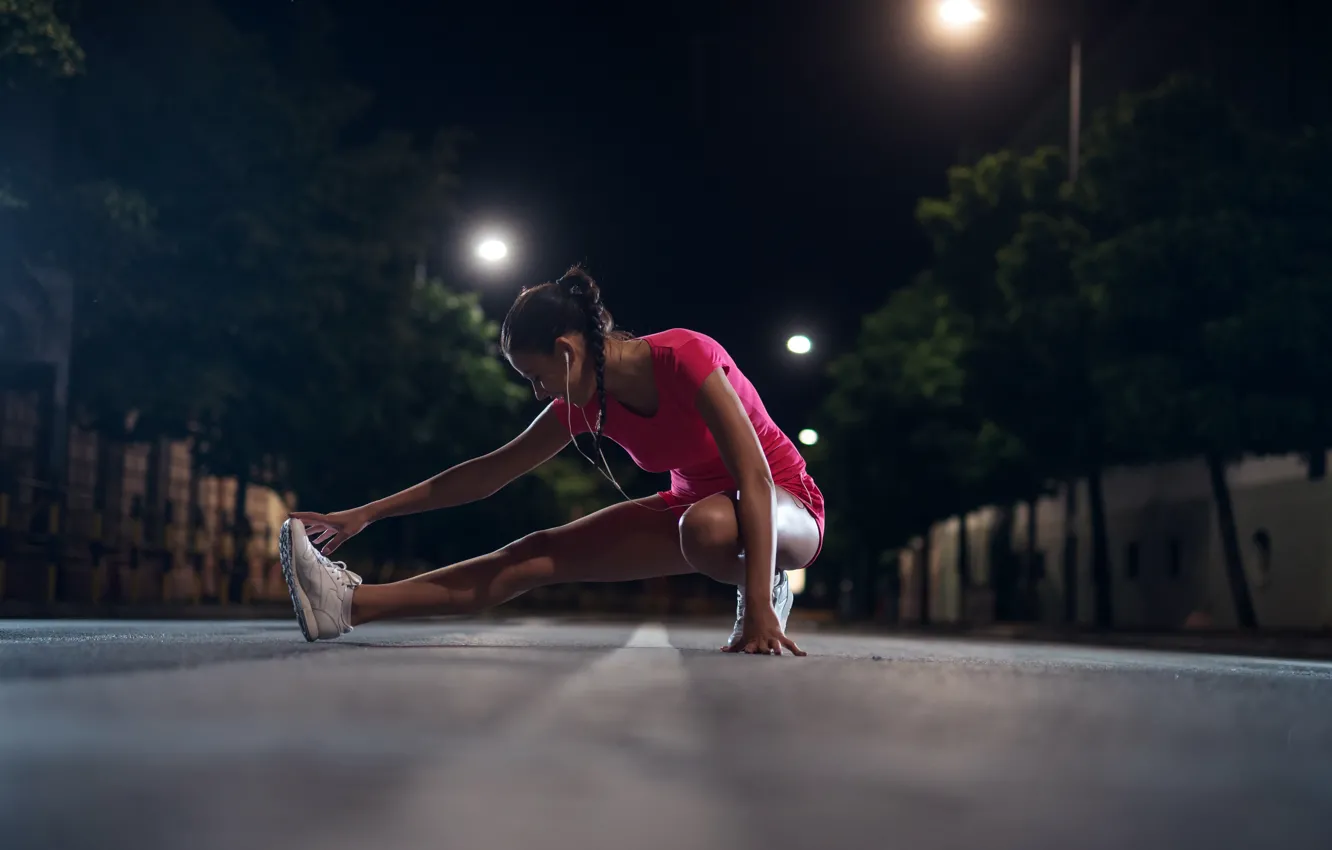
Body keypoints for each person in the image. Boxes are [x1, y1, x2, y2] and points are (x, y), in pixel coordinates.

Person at [279, 264, 826, 655]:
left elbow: (753, 478)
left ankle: (767, 585)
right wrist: (366, 514)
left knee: (706, 526)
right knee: (534, 555)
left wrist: (755, 607)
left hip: (784, 505)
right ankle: (348, 606)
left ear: (566, 351)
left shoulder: (687, 358)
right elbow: (487, 474)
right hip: (693, 510)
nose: (541, 394)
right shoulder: (583, 402)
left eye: (537, 377)